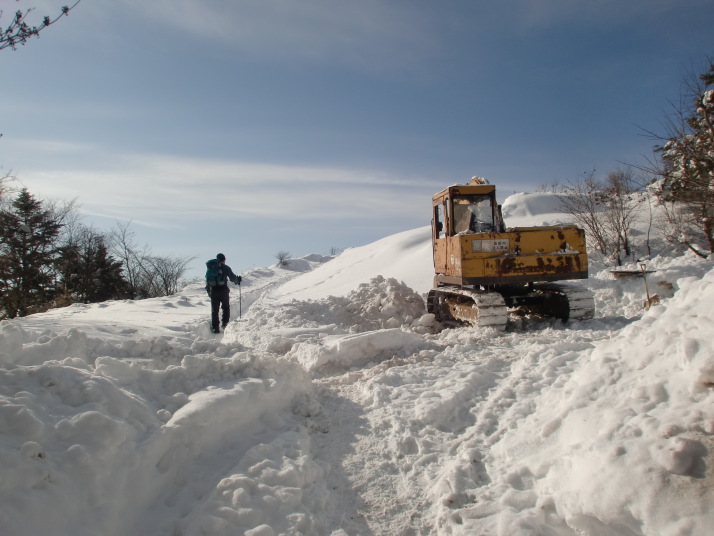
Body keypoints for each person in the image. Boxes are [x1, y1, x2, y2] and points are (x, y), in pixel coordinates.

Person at [206, 253, 242, 333]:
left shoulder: (210, 268)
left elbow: (208, 281)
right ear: (224, 259)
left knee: (214, 310)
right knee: (225, 307)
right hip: (223, 290)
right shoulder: (225, 267)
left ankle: (215, 327)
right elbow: (232, 278)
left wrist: (209, 291)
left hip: (213, 290)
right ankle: (224, 323)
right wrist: (238, 280)